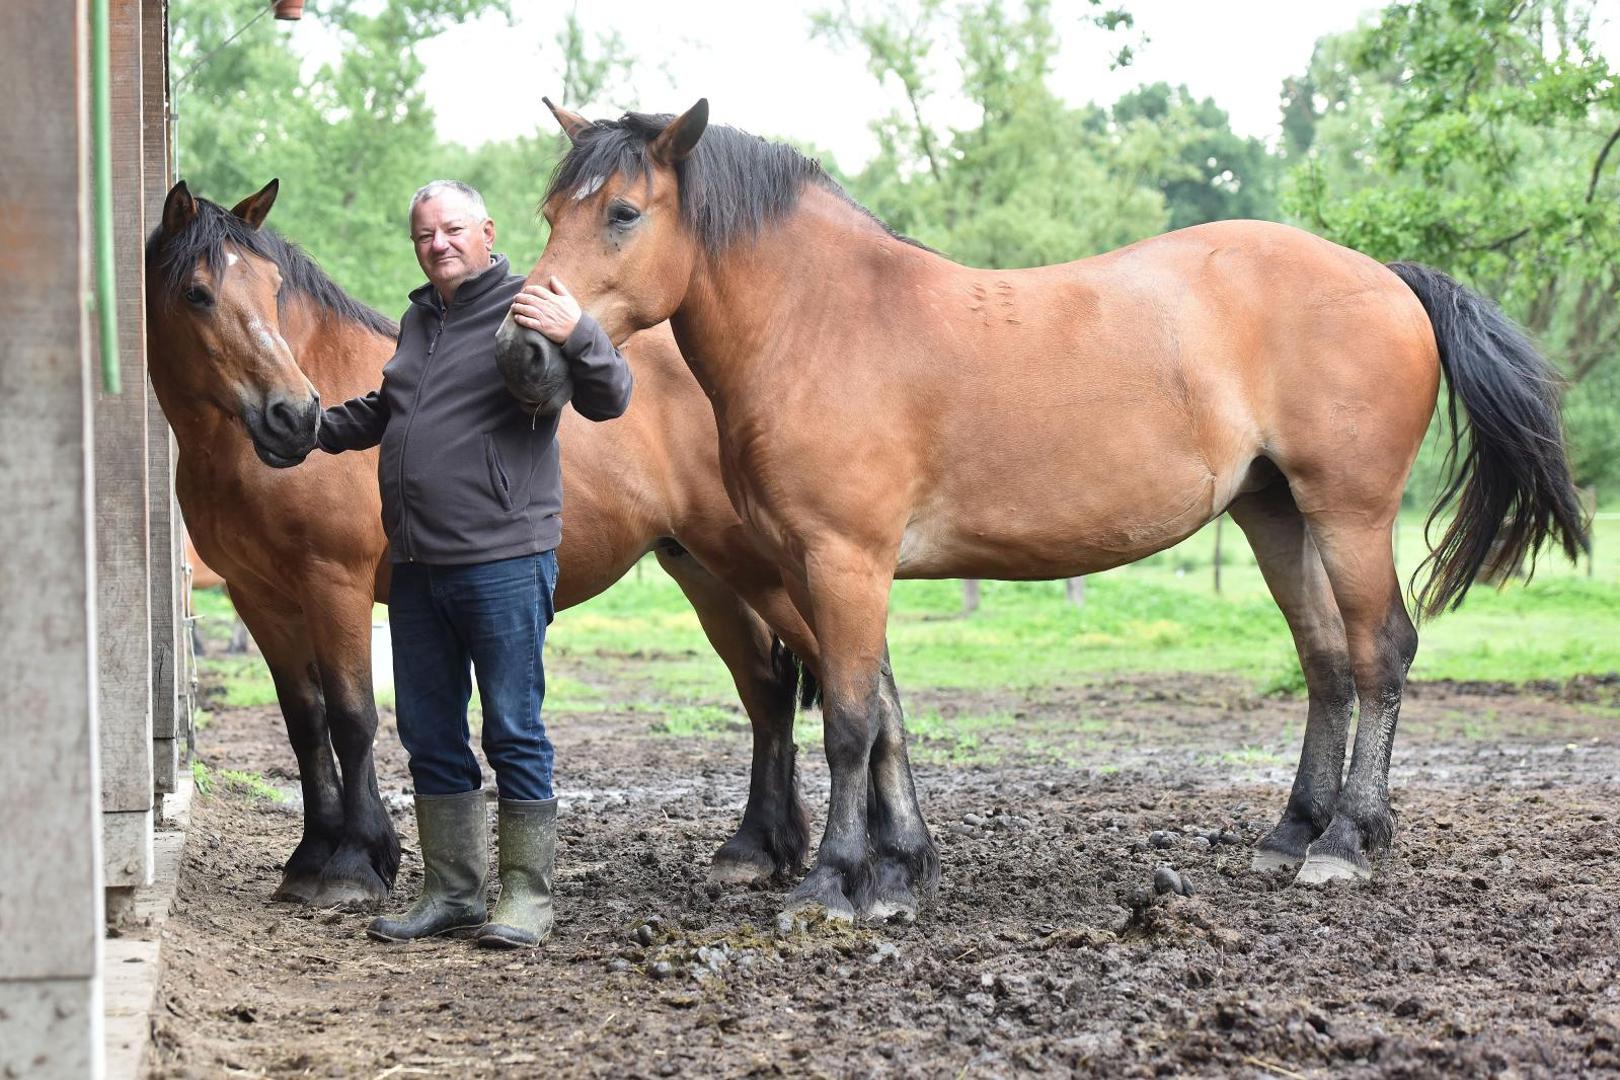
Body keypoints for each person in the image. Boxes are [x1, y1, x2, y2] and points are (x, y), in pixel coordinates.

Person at [313, 179, 633, 948]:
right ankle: (453, 891)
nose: (439, 245)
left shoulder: (530, 305)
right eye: (425, 235)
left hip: (502, 560)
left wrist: (580, 329)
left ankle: (526, 896)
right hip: (416, 565)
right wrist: (313, 432)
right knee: (428, 731)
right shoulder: (423, 317)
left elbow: (612, 395)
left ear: (486, 231)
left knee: (514, 729)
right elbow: (390, 410)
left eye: (452, 230)